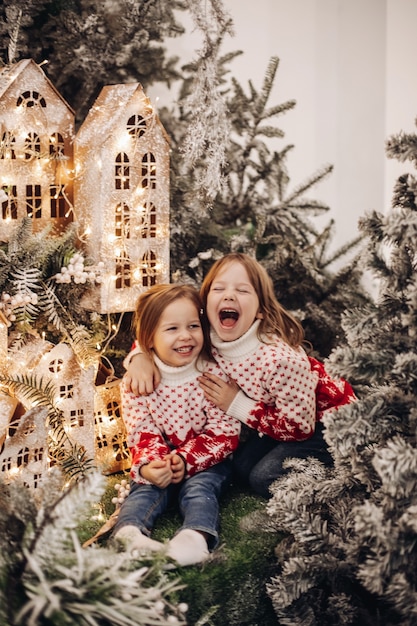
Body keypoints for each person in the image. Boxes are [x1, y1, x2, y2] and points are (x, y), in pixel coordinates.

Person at [124, 253, 355, 499]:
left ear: (261, 311)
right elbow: (162, 328)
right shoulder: (208, 334)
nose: (230, 295)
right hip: (276, 419)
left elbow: (300, 428)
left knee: (263, 477)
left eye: (242, 291)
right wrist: (139, 356)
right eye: (219, 288)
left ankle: (343, 473)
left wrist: (237, 404)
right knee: (241, 468)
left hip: (327, 426)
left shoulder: (279, 362)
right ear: (205, 306)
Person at [112, 283, 240, 566]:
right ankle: (130, 533)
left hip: (207, 460)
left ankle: (195, 537)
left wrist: (186, 460)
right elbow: (140, 428)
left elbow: (224, 432)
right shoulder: (138, 381)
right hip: (160, 457)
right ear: (148, 339)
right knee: (144, 488)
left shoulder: (213, 374)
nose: (186, 336)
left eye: (193, 326)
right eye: (172, 329)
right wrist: (150, 465)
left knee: (200, 489)